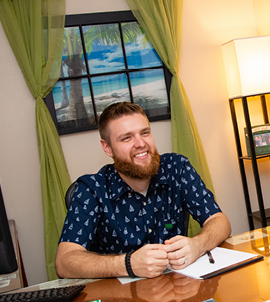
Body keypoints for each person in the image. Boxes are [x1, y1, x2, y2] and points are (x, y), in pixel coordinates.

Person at [55, 102, 231, 279]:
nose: (141, 144)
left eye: (145, 133)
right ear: (107, 148)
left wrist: (198, 245)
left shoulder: (176, 168)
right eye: (127, 138)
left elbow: (219, 221)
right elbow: (64, 261)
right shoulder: (91, 189)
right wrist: (127, 264)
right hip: (121, 298)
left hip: (179, 288)